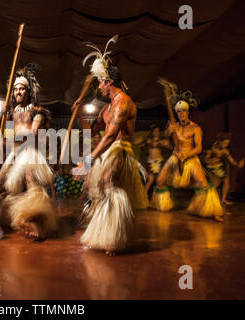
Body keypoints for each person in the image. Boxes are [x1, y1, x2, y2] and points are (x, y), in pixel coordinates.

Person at [72, 35, 149, 255]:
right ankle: (104, 229)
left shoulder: (123, 102)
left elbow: (110, 137)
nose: (98, 87)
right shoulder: (106, 108)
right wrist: (78, 114)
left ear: (109, 81)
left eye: (100, 82)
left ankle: (114, 237)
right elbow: (93, 132)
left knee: (108, 180)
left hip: (119, 150)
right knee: (94, 187)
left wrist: (87, 161)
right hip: (107, 150)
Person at [0, 63, 58, 241]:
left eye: (22, 89)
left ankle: (36, 221)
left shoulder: (36, 111)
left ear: (28, 91)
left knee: (31, 181)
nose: (18, 92)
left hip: (28, 151)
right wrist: (2, 113)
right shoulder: (11, 111)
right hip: (13, 153)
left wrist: (11, 142)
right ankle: (21, 218)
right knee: (7, 188)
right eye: (15, 89)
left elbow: (32, 134)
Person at [151, 79, 224, 222]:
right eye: (178, 112)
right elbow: (167, 139)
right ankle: (161, 205)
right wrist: (168, 132)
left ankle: (212, 210)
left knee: (202, 183)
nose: (181, 114)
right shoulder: (174, 126)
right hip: (175, 157)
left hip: (190, 158)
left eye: (183, 111)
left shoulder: (195, 128)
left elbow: (198, 148)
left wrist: (186, 154)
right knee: (160, 180)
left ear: (188, 111)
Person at [203, 132, 244, 205]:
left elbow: (231, 160)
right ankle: (208, 200)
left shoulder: (225, 150)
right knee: (215, 184)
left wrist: (238, 165)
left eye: (228, 143)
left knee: (226, 182)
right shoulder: (213, 148)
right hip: (213, 168)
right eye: (225, 143)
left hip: (222, 167)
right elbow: (205, 159)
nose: (226, 145)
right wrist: (212, 161)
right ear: (220, 141)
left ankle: (223, 199)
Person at [134, 124, 172, 193]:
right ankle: (143, 197)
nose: (156, 133)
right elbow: (136, 142)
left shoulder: (162, 140)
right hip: (150, 163)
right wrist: (145, 140)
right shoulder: (148, 140)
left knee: (160, 181)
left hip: (159, 162)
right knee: (150, 180)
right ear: (152, 132)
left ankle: (158, 199)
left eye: (157, 131)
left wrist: (164, 143)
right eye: (154, 131)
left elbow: (170, 147)